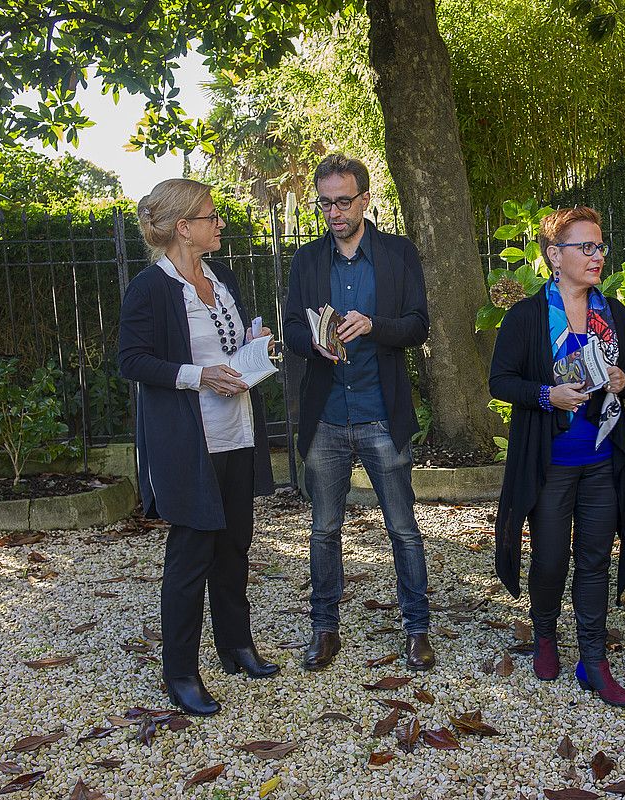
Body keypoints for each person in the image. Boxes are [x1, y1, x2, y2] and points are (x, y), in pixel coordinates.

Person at [118, 178, 278, 717]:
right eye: (212, 216)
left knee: (234, 547)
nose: (220, 224)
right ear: (183, 227)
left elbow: (226, 345)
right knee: (191, 557)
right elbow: (132, 361)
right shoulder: (150, 289)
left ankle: (237, 646)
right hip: (190, 443)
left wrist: (252, 348)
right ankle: (181, 673)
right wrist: (198, 375)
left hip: (237, 433)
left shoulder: (221, 276)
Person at [282, 154, 435, 672]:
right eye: (324, 203)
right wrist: (317, 343)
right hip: (325, 416)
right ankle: (324, 630)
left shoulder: (397, 254)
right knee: (323, 530)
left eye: (343, 201)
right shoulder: (306, 261)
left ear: (365, 199)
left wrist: (373, 326)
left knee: (403, 529)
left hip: (381, 415)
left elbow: (418, 326)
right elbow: (291, 331)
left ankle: (417, 630)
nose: (333, 212)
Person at [490, 207, 625, 707]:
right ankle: (544, 636)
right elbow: (500, 380)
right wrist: (546, 396)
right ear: (555, 256)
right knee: (552, 557)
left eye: (600, 246)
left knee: (596, 559)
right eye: (586, 247)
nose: (597, 255)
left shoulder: (613, 313)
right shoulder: (528, 316)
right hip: (550, 462)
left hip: (602, 459)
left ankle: (594, 660)